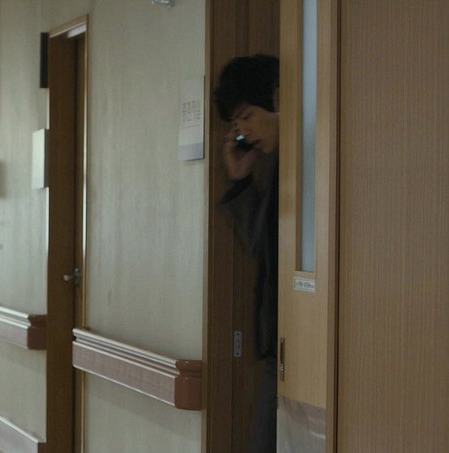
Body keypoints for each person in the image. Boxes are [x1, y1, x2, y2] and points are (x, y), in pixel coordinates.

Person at [214, 54, 280, 453]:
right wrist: (240, 182)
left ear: (277, 99)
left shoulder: (310, 158)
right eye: (237, 124)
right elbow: (263, 246)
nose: (244, 131)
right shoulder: (274, 167)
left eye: (248, 117)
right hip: (278, 343)